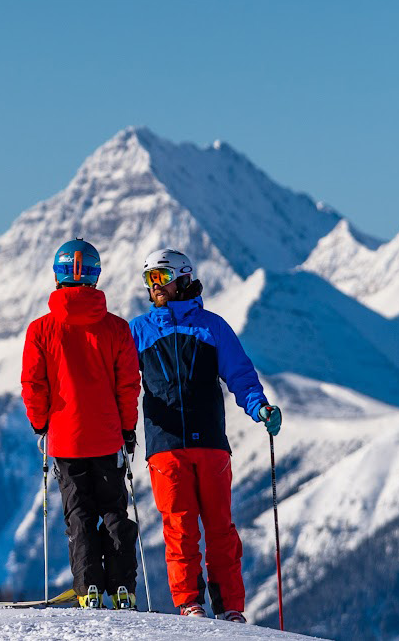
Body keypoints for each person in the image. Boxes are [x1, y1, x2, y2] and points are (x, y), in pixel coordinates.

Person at [130, 248, 284, 621]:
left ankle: (230, 608)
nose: (155, 287)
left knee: (220, 528)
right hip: (165, 445)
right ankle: (189, 604)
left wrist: (259, 406)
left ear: (182, 277)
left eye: (160, 277)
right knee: (179, 528)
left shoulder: (212, 327)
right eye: (150, 280)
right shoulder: (138, 330)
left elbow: (240, 375)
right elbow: (120, 383)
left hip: (211, 442)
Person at [21, 239, 142, 609]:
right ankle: (123, 587)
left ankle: (88, 588)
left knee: (79, 515)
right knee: (113, 511)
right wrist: (127, 429)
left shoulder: (41, 330)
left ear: (58, 276)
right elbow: (128, 385)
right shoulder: (117, 329)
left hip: (65, 440)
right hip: (107, 437)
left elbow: (33, 384)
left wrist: (40, 424)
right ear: (95, 274)